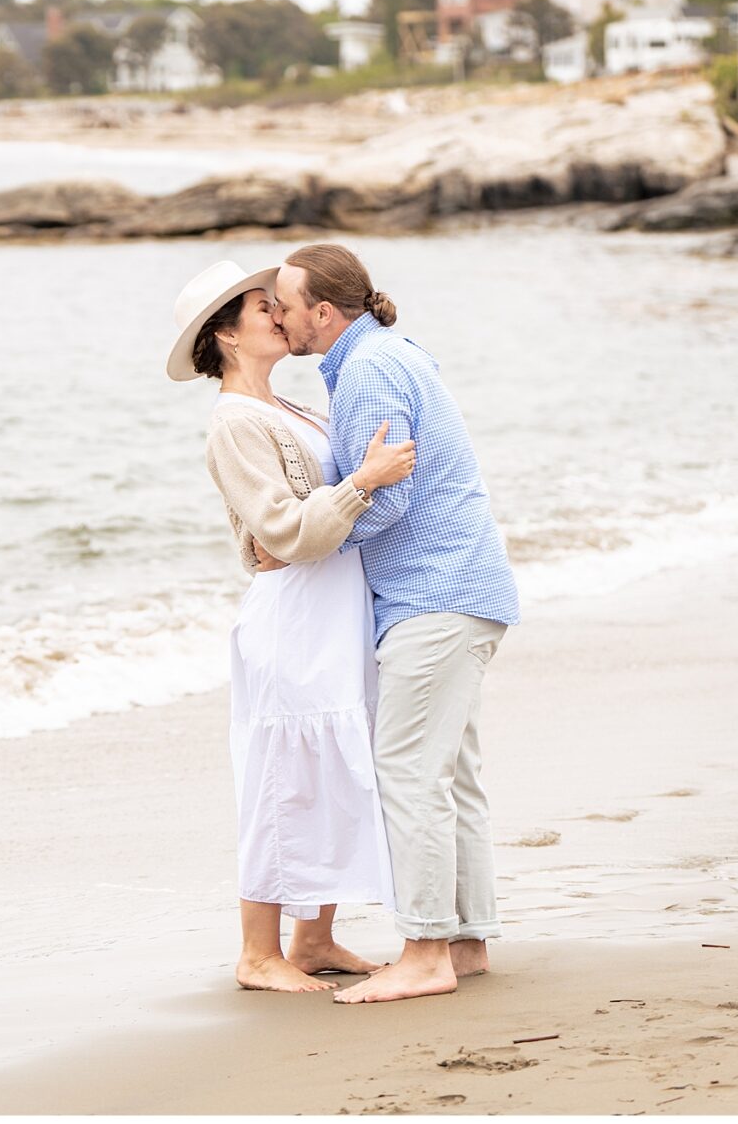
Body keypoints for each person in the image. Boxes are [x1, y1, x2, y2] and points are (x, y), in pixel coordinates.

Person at [270, 243, 522, 1005]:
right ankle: (465, 940)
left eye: (284, 302)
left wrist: (309, 540)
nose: (276, 315)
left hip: (433, 595)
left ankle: (424, 950)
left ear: (323, 312)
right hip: (459, 589)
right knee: (450, 773)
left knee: (409, 771)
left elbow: (391, 495)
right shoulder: (384, 354)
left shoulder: (371, 368)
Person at [167, 259, 417, 993]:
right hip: (293, 622)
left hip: (330, 613)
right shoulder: (234, 421)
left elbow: (299, 527)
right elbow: (282, 530)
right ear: (226, 334)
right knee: (282, 777)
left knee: (334, 769)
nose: (278, 312)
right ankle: (257, 953)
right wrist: (363, 482)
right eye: (258, 307)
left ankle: (314, 939)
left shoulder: (295, 410)